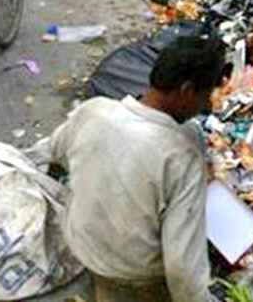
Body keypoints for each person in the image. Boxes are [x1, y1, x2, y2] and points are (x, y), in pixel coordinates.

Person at [45, 35, 227, 302]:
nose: (205, 105)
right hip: (133, 282)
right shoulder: (180, 157)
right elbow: (182, 270)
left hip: (82, 257)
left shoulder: (93, 111)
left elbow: (55, 151)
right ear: (187, 90)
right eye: (205, 95)